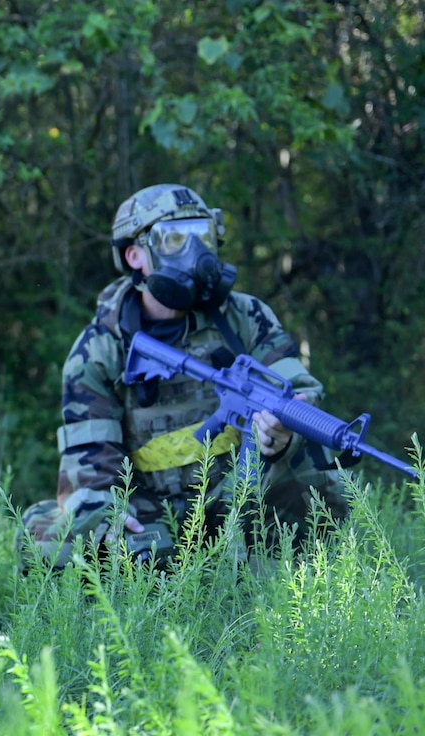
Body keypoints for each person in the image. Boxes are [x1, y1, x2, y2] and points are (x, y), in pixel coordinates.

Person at [23, 183, 351, 568]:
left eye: (202, 235)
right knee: (52, 538)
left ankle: (290, 581)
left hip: (237, 490)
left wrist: (281, 437)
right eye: (174, 239)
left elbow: (299, 393)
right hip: (150, 503)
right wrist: (105, 519)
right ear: (135, 256)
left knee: (314, 465)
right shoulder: (100, 348)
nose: (194, 252)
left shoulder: (244, 317)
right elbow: (89, 463)